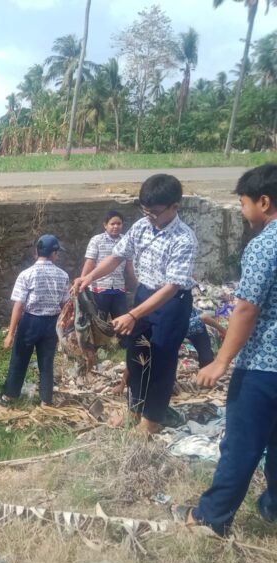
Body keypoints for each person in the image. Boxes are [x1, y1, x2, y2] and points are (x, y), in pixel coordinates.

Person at [173, 164, 277, 535]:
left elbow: (247, 308)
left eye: (244, 202)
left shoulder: (265, 245)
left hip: (265, 367)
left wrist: (220, 360)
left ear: (263, 202)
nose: (242, 210)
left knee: (242, 445)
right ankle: (273, 507)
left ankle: (210, 518)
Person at [73, 174, 197, 434]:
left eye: (155, 212)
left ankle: (151, 421)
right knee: (137, 355)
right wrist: (89, 277)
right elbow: (116, 257)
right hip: (144, 295)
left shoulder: (184, 240)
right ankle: (134, 409)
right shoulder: (142, 226)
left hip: (171, 303)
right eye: (145, 210)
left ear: (175, 207)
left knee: (162, 360)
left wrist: (132, 315)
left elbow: (172, 287)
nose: (149, 216)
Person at [0, 234, 70, 408]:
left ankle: (9, 396)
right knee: (46, 362)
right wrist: (64, 327)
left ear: (37, 252)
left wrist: (10, 334)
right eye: (57, 253)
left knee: (19, 359)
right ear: (53, 254)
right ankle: (46, 400)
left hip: (30, 323)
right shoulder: (63, 275)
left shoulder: (26, 274)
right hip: (51, 324)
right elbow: (65, 305)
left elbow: (18, 306)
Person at [81, 210, 137, 320]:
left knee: (121, 321)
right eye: (112, 224)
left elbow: (129, 265)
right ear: (105, 225)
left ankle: (121, 338)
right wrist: (82, 280)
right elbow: (90, 262)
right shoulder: (97, 240)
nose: (116, 226)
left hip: (118, 289)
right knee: (99, 323)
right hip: (100, 289)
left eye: (119, 223)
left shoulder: (126, 241)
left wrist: (135, 283)